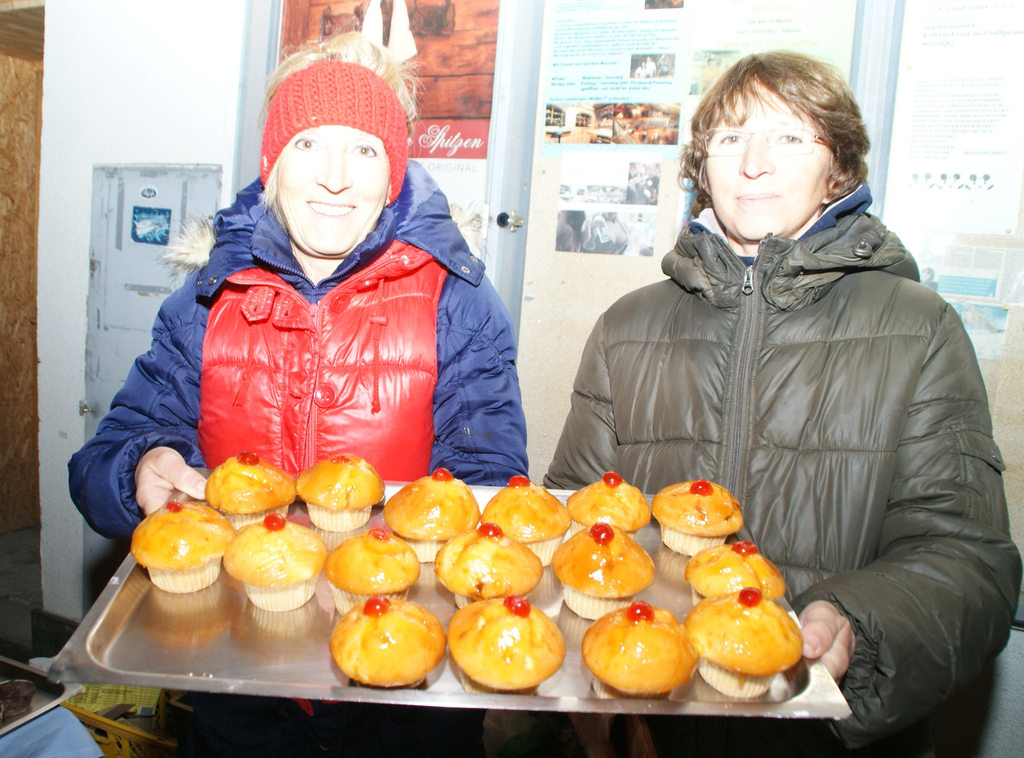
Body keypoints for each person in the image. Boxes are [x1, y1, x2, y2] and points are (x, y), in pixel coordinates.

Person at [545, 51, 1021, 757]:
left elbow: (967, 558)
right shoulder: (627, 326)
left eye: (790, 136)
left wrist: (858, 624)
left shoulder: (919, 329)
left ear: (839, 169)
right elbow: (575, 515)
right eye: (730, 137)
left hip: (824, 735)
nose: (753, 164)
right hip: (651, 719)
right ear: (701, 166)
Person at [69, 33, 527, 757]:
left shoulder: (458, 301)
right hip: (241, 693)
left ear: (393, 173)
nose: (335, 178)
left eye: (365, 150)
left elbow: (491, 487)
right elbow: (100, 462)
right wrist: (138, 467)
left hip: (402, 702)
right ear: (273, 163)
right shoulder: (206, 300)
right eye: (309, 144)